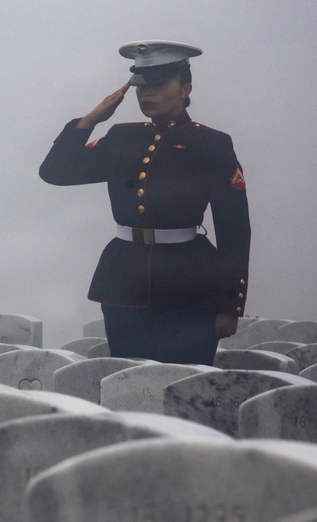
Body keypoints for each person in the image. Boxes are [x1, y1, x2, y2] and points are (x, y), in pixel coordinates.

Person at [39, 40, 251, 365]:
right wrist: (91, 119)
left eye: (158, 84)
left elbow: (234, 228)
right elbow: (55, 172)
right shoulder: (123, 138)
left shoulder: (211, 144)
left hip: (190, 285)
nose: (146, 93)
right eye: (140, 86)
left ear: (185, 88)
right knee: (129, 387)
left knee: (184, 387)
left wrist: (229, 305)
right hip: (124, 282)